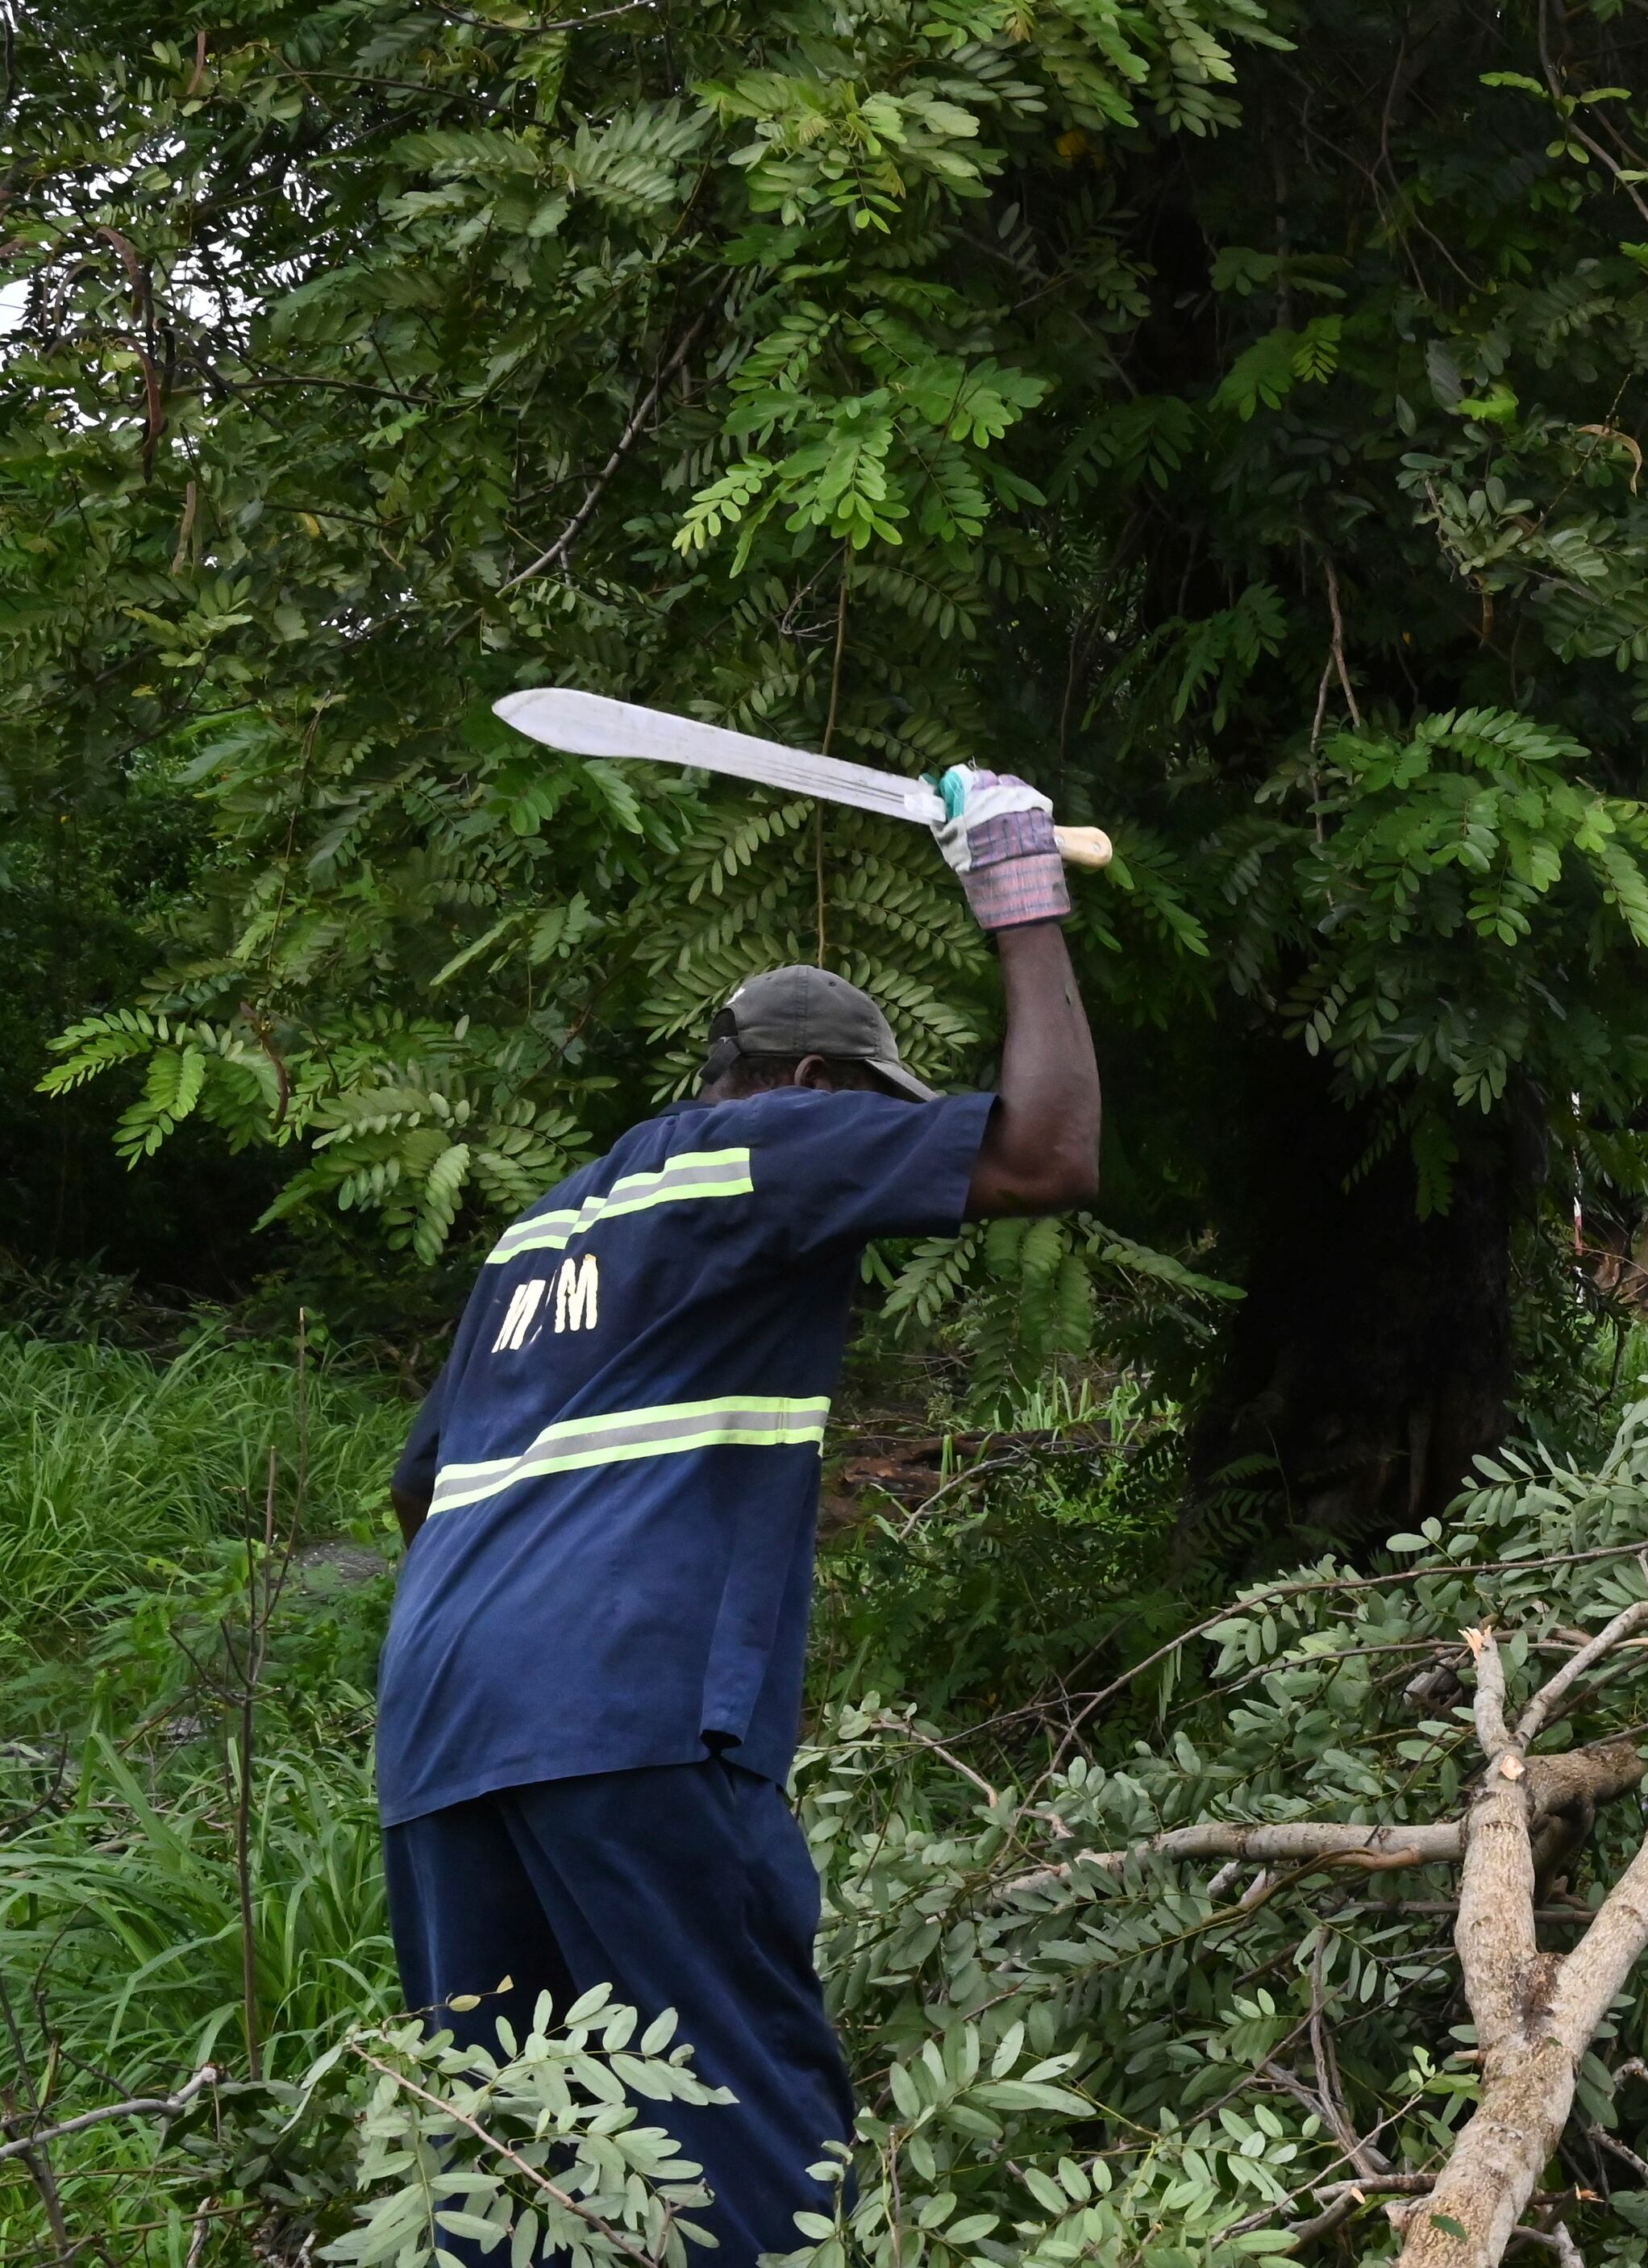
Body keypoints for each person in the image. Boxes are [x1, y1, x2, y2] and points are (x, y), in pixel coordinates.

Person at [374, 768, 1100, 2262]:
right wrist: (1018, 892)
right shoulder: (773, 1141)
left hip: (442, 1720)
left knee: (509, 2158)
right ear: (819, 1087)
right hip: (626, 1705)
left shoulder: (538, 1234)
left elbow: (416, 1485)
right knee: (750, 2135)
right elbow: (1047, 1153)